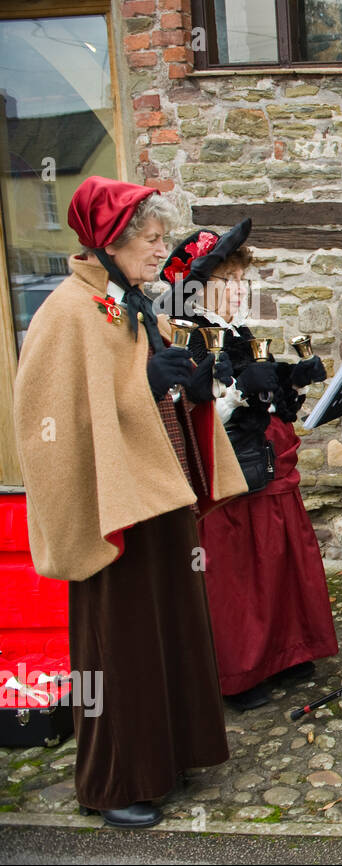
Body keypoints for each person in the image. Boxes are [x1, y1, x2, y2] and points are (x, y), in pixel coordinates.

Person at [12, 176, 246, 828]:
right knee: (121, 646)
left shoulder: (131, 303)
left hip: (159, 490)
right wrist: (138, 387)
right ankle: (113, 778)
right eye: (147, 238)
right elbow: (45, 425)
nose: (158, 248)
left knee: (168, 630)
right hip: (112, 508)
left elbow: (155, 394)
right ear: (109, 241)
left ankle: (167, 757)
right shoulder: (65, 311)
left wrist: (188, 385)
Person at [160, 220, 338, 711]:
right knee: (240, 575)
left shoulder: (237, 333)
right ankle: (240, 671)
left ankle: (286, 651)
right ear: (199, 289)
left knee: (278, 561)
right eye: (230, 282)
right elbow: (191, 417)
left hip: (266, 465)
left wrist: (292, 386)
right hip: (228, 475)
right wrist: (240, 393)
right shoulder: (191, 338)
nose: (241, 291)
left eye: (243, 281)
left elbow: (268, 404)